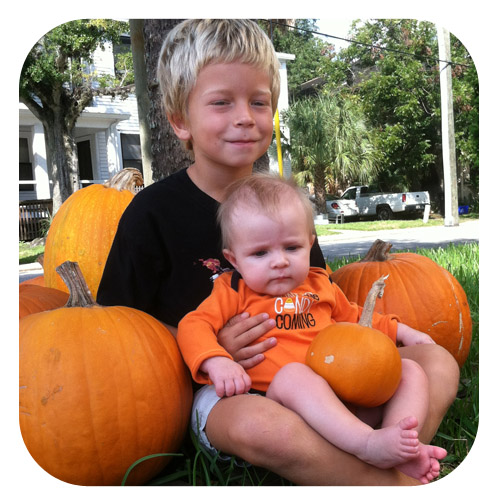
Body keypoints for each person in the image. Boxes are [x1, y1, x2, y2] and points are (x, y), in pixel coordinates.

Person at [97, 19, 459, 486]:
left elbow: (325, 298)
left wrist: (385, 342)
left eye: (259, 102)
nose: (245, 116)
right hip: (232, 388)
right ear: (180, 120)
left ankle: (387, 449)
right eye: (222, 102)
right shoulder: (152, 213)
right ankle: (385, 482)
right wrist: (215, 351)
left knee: (435, 364)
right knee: (256, 425)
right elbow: (119, 331)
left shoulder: (288, 206)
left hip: (321, 369)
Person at [177, 174, 446, 484]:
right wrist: (217, 360)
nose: (279, 262)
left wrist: (403, 332)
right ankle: (367, 445)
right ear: (233, 259)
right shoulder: (233, 289)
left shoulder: (320, 283)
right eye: (260, 253)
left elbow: (358, 320)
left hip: (339, 399)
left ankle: (397, 444)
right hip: (281, 406)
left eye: (291, 247)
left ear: (310, 243)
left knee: (409, 370)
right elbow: (193, 324)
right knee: (294, 375)